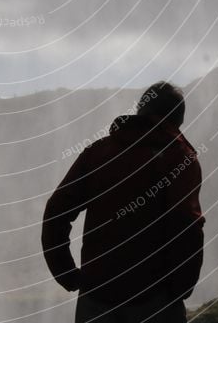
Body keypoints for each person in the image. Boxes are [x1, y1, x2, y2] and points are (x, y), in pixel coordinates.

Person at [41, 81, 205, 322]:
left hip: (96, 297)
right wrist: (181, 288)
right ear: (178, 120)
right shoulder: (180, 158)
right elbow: (187, 227)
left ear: (140, 110)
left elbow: (56, 212)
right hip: (157, 299)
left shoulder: (98, 153)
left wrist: (67, 274)